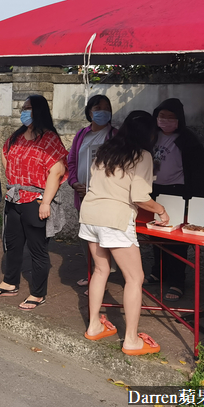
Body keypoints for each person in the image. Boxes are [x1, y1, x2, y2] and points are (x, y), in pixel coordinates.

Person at [79, 110, 168, 355]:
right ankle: (131, 339)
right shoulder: (143, 156)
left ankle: (94, 325)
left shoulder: (106, 150)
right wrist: (161, 210)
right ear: (149, 134)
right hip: (115, 219)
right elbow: (140, 197)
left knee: (100, 270)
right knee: (135, 278)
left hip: (90, 215)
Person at [0, 95, 68, 311]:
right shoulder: (17, 137)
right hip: (15, 198)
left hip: (37, 200)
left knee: (38, 249)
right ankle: (10, 282)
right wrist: (14, 182)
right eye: (23, 108)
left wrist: (46, 202)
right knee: (13, 244)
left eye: (28, 108)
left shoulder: (49, 139)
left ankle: (38, 293)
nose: (24, 112)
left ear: (39, 111)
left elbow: (57, 171)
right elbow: (5, 155)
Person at [145, 98, 204, 301]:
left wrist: (195, 197)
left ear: (179, 119)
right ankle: (158, 272)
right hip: (154, 190)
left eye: (171, 117)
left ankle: (177, 281)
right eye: (162, 116)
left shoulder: (188, 140)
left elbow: (199, 172)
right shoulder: (151, 136)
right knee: (155, 234)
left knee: (176, 239)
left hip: (179, 192)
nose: (165, 121)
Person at [67, 95, 117, 292]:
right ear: (89, 112)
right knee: (86, 238)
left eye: (107, 107)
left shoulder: (114, 135)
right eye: (98, 107)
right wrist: (74, 183)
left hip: (103, 197)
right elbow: (71, 161)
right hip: (82, 195)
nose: (103, 111)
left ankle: (101, 278)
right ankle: (92, 274)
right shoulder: (81, 135)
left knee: (102, 239)